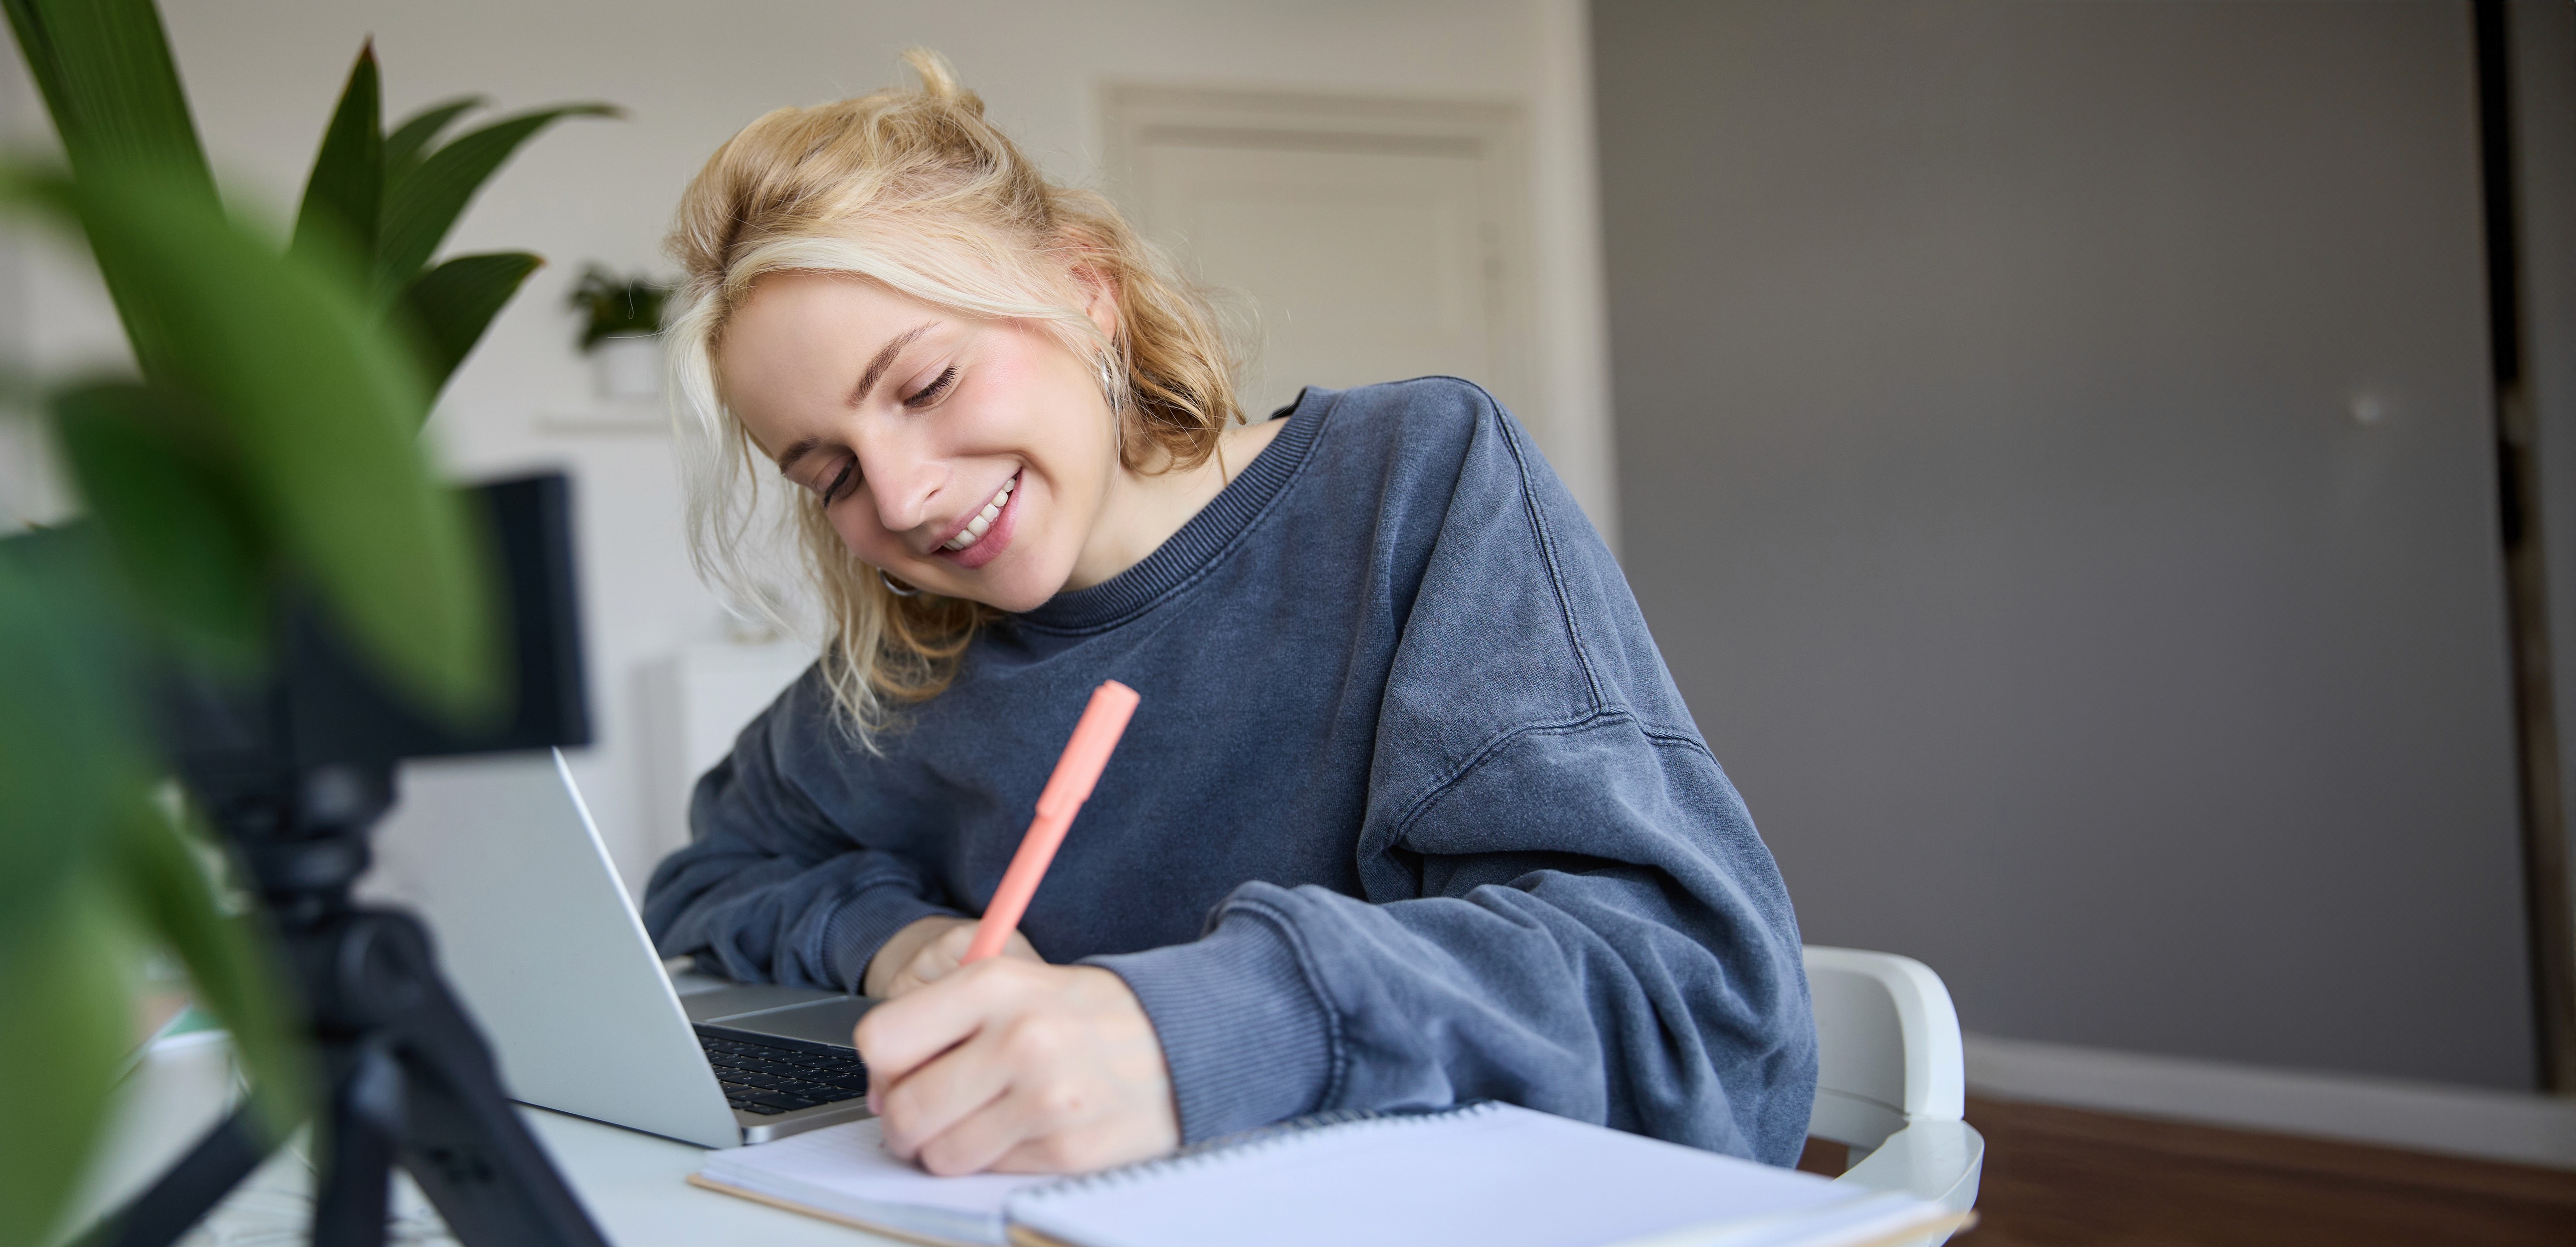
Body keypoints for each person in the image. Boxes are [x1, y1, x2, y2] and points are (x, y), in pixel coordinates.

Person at [642, 50, 1817, 1179]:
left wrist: (1186, 1031)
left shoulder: (1410, 483)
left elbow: (1684, 996)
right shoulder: (904, 668)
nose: (901, 496)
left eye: (926, 383)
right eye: (828, 473)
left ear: (1084, 291)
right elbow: (712, 875)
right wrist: (897, 942)